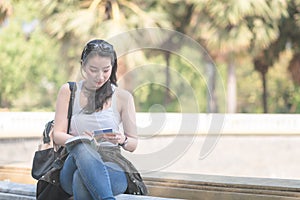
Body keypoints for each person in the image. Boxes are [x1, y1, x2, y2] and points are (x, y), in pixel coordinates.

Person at [53, 39, 146, 200]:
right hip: (73, 160)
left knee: (81, 180)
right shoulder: (69, 91)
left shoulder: (123, 97)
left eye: (106, 70)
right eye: (93, 70)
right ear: (83, 66)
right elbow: (57, 135)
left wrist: (122, 139)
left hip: (112, 164)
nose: (100, 76)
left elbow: (133, 144)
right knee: (83, 146)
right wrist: (80, 139)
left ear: (113, 67)